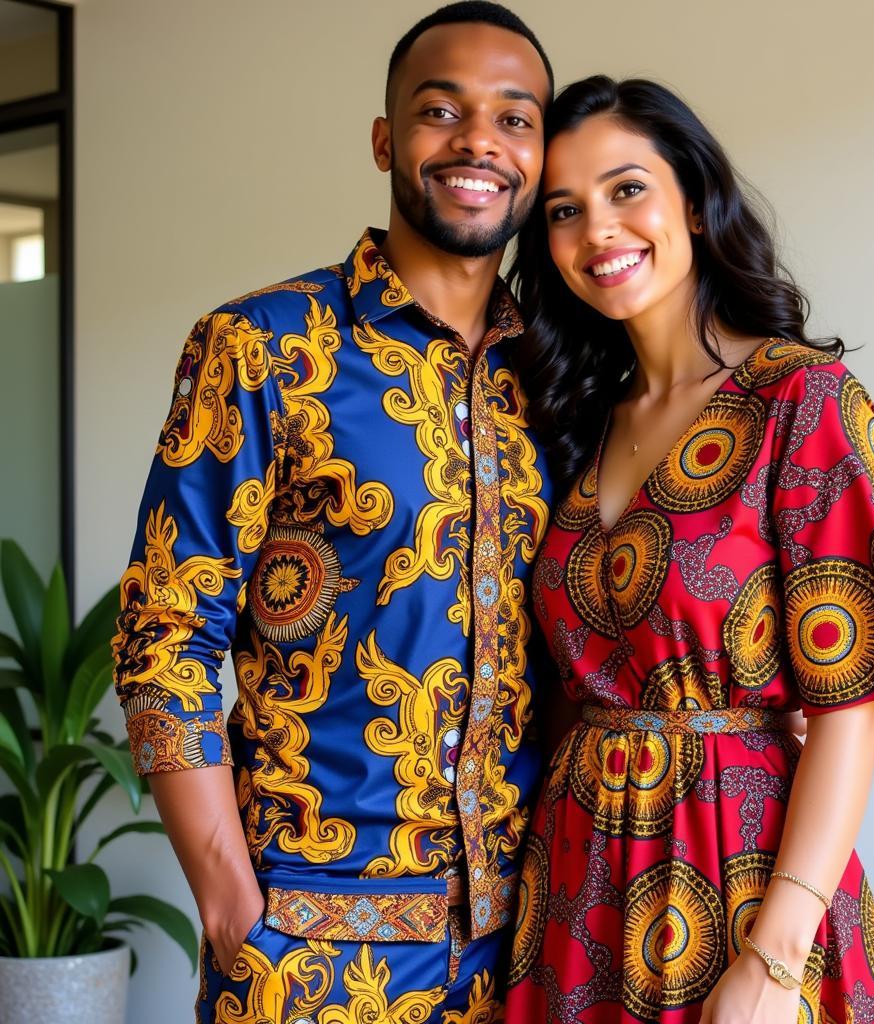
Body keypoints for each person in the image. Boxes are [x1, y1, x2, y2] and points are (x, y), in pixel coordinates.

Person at [111, 4, 554, 1020]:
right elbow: (166, 629)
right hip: (306, 944)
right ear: (385, 139)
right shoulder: (262, 347)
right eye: (441, 109)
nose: (478, 139)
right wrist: (229, 902)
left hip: (526, 942)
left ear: (538, 154)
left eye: (513, 118)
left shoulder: (561, 376)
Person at [505, 76, 874, 1023]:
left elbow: (854, 698)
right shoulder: (573, 427)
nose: (597, 232)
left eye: (626, 190)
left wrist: (776, 959)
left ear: (692, 202)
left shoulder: (801, 401)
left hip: (739, 873)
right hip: (577, 884)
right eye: (564, 211)